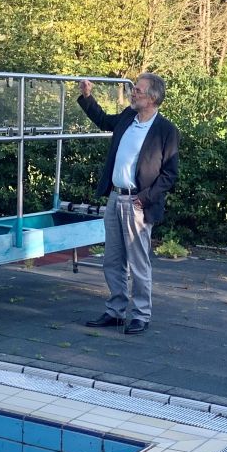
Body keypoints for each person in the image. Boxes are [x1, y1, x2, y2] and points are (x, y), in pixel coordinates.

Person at [78, 73, 180, 335]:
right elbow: (103, 121)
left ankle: (141, 315)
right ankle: (115, 311)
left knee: (138, 262)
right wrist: (87, 97)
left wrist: (143, 199)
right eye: (134, 89)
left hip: (138, 202)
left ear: (153, 98)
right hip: (115, 197)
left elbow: (169, 174)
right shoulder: (127, 117)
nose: (133, 93)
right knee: (112, 260)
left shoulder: (166, 131)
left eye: (138, 90)